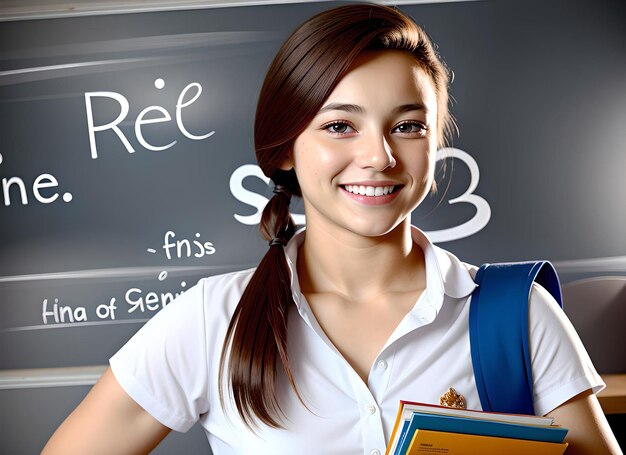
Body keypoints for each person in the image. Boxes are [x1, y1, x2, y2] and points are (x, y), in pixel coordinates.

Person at [42, 3, 621, 454]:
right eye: (341, 125)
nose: (378, 157)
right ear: (287, 149)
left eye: (409, 126)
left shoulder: (516, 315)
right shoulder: (211, 320)